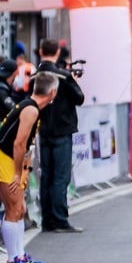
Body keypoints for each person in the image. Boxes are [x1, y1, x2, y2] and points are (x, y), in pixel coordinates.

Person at [0, 72, 58, 263]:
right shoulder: (30, 110)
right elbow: (19, 144)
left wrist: (25, 170)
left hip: (12, 159)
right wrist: (18, 173)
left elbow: (27, 146)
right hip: (4, 158)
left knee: (20, 209)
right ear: (52, 92)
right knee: (13, 208)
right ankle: (12, 260)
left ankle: (19, 255)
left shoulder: (32, 108)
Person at [34, 38, 86, 233]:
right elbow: (79, 98)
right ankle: (60, 219)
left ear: (40, 51)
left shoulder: (36, 75)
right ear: (57, 52)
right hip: (62, 130)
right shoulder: (63, 76)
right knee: (60, 177)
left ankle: (47, 220)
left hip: (44, 130)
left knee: (46, 176)